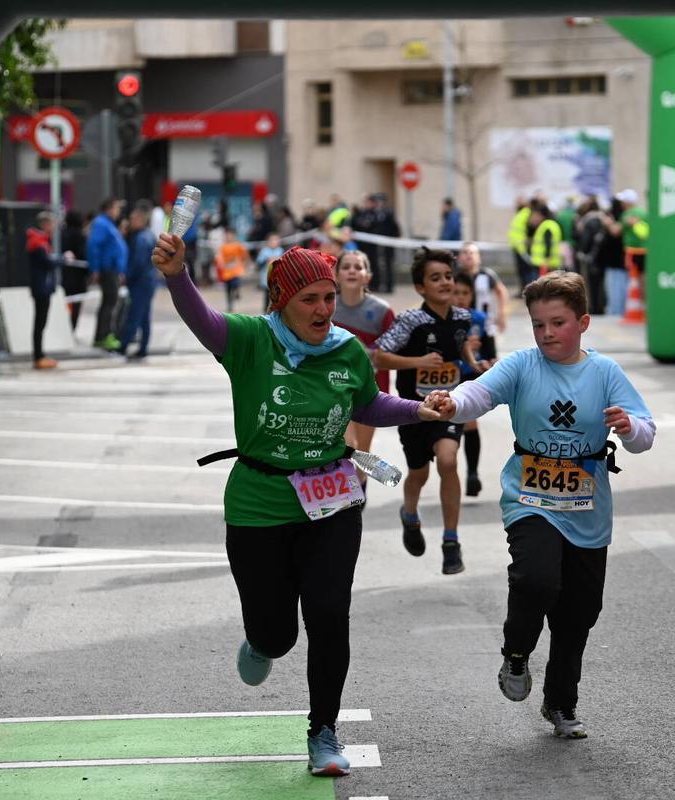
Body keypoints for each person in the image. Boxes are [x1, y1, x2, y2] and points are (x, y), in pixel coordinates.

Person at [150, 237, 452, 778]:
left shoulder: (347, 349)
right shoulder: (247, 340)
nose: (323, 310)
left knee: (331, 614)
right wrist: (177, 275)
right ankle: (263, 641)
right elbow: (201, 319)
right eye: (310, 298)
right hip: (259, 505)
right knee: (278, 634)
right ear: (281, 300)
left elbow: (368, 404)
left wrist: (417, 411)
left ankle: (323, 732)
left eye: (329, 297)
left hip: (332, 499)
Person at [444, 270, 655, 739]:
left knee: (579, 613)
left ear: (582, 322)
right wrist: (451, 404)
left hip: (587, 508)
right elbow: (480, 392)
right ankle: (516, 653)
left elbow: (645, 433)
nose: (546, 334)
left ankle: (560, 704)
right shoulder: (523, 365)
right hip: (530, 497)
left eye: (557, 323)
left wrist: (629, 426)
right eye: (538, 325)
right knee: (535, 579)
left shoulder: (604, 373)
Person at [374, 248, 482, 575]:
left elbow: (461, 345)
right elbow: (379, 356)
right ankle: (409, 515)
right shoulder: (410, 320)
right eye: (435, 278)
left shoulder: (463, 317)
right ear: (421, 287)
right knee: (419, 474)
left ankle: (451, 542)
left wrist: (475, 365)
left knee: (448, 461)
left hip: (449, 406)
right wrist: (417, 362)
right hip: (414, 410)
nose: (445, 283)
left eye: (448, 276)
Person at [331, 250, 396, 477]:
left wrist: (364, 351)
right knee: (347, 445)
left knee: (362, 450)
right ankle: (348, 501)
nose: (352, 271)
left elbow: (391, 351)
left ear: (367, 276)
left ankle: (360, 494)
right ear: (336, 275)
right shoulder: (327, 307)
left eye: (357, 267)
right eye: (346, 266)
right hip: (335, 389)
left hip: (369, 390)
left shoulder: (382, 311)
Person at [455, 245, 508, 496]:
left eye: (465, 293)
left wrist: (488, 362)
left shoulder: (479, 319)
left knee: (469, 422)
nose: (460, 297)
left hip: (467, 375)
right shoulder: (437, 320)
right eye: (456, 292)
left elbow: (489, 351)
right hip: (444, 377)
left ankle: (472, 473)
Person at [117, 202, 159, 361]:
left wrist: (127, 276)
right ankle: (143, 348)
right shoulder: (148, 236)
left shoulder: (141, 238)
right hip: (148, 281)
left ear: (141, 220)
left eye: (133, 219)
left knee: (134, 315)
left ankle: (123, 347)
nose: (130, 221)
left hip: (140, 282)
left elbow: (137, 262)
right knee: (144, 316)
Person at [88, 197, 128, 351]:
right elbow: (94, 246)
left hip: (112, 270)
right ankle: (103, 336)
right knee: (109, 303)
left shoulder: (108, 224)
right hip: (107, 270)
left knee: (110, 302)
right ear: (109, 208)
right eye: (116, 208)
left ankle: (103, 335)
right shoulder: (101, 223)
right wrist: (96, 269)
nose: (118, 212)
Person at [25, 211, 61, 370]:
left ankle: (40, 355)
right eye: (51, 223)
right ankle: (38, 356)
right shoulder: (38, 242)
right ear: (45, 224)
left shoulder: (40, 241)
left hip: (42, 287)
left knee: (41, 322)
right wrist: (63, 259)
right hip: (41, 288)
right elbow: (47, 262)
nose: (53, 227)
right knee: (40, 322)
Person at [60, 210, 89, 331]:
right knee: (76, 304)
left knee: (63, 301)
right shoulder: (81, 236)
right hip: (78, 275)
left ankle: (63, 327)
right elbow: (84, 254)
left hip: (63, 273)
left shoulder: (61, 234)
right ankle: (72, 327)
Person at [216, 229, 249, 313]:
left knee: (236, 282)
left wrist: (244, 263)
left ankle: (236, 291)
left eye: (230, 236)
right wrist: (220, 264)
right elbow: (220, 257)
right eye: (227, 236)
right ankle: (230, 304)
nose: (228, 237)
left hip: (236, 269)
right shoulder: (223, 247)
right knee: (228, 289)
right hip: (227, 271)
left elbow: (244, 254)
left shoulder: (237, 245)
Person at [530, 205, 562, 278]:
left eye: (535, 215)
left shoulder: (547, 226)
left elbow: (548, 244)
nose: (533, 218)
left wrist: (546, 261)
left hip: (544, 264)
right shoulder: (551, 224)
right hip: (548, 263)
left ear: (540, 215)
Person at [255, 234, 285, 313]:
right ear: (268, 242)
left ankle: (276, 310)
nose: (274, 242)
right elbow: (259, 263)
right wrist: (266, 260)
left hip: (278, 278)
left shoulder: (281, 251)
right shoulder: (264, 251)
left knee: (277, 295)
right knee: (267, 295)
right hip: (266, 277)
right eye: (272, 241)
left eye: (276, 240)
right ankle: (265, 311)